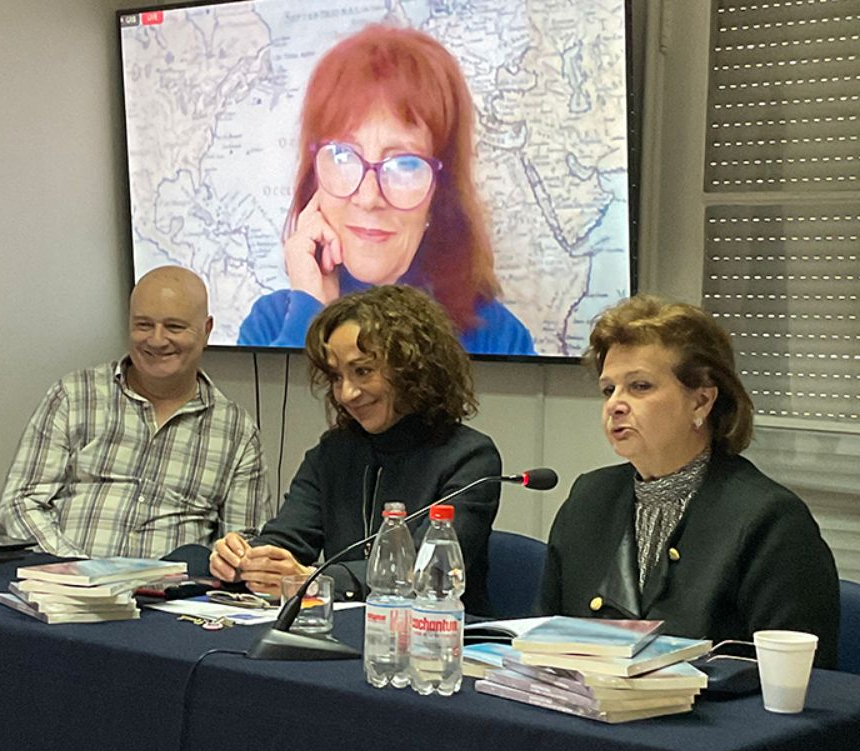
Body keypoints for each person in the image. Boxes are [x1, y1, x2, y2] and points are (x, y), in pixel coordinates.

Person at [539, 295, 840, 668]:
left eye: (640, 386)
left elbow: (800, 680)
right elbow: (542, 641)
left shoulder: (770, 521)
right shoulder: (589, 499)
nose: (615, 404)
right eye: (608, 389)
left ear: (701, 402)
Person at [237, 24, 535, 356]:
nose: (368, 198)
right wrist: (310, 318)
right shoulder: (271, 326)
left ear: (440, 191)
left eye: (404, 164)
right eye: (342, 155)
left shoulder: (499, 339)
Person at [213, 285, 502, 615]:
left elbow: (428, 573)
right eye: (337, 376)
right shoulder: (332, 453)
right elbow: (287, 539)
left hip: (436, 634)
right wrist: (247, 560)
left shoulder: (470, 458)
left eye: (362, 371)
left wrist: (315, 580)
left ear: (414, 369)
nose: (346, 394)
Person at [0, 266, 274, 558]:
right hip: (61, 578)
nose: (157, 340)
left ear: (206, 330)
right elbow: (18, 505)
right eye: (143, 325)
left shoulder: (237, 432)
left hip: (172, 585)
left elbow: (244, 544)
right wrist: (77, 568)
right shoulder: (75, 396)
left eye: (174, 327)